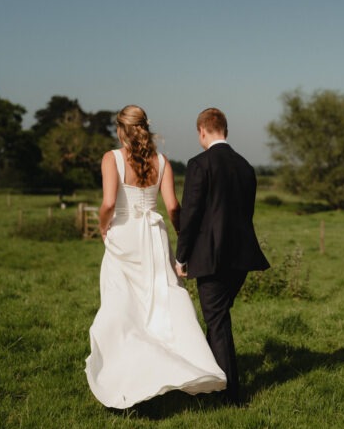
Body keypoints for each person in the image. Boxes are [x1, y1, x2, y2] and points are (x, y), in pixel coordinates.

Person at [85, 105, 226, 409]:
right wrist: (181, 245)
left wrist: (101, 225)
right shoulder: (162, 162)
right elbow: (174, 207)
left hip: (123, 235)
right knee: (163, 300)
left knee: (122, 303)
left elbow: (109, 202)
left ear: (120, 129)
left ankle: (128, 374)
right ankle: (191, 365)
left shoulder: (111, 159)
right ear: (145, 128)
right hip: (153, 236)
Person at [175, 107, 270, 405]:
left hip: (210, 256)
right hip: (241, 257)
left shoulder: (199, 164)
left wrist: (181, 256)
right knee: (218, 318)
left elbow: (190, 215)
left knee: (216, 322)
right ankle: (208, 381)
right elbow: (247, 214)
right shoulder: (245, 166)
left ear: (202, 131)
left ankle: (229, 395)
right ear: (224, 130)